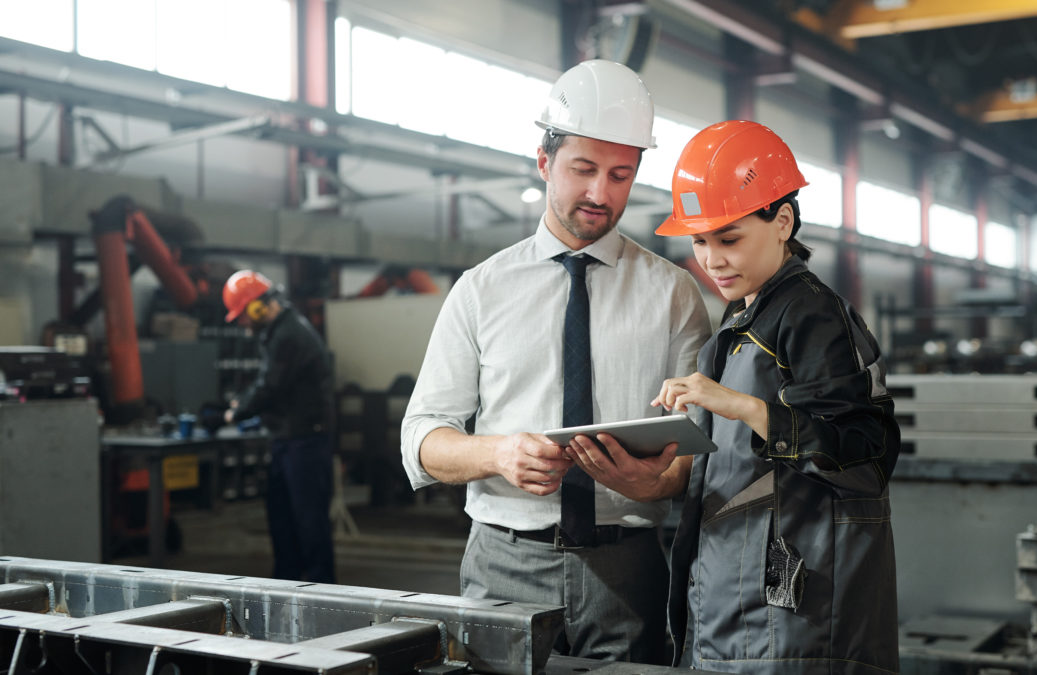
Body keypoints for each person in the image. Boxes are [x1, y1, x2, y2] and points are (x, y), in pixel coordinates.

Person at [400, 59, 711, 664]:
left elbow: (700, 450)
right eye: (583, 169)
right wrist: (498, 453)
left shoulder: (672, 293)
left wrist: (659, 481)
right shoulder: (481, 289)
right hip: (503, 565)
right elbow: (420, 437)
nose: (600, 193)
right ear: (544, 162)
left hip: (628, 567)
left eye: (621, 174)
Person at [646, 120, 901, 672]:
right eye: (700, 241)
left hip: (795, 627)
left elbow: (866, 454)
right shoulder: (740, 323)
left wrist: (739, 405)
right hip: (737, 614)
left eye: (729, 238)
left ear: (782, 221)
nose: (711, 260)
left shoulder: (812, 315)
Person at [222, 269, 336, 584]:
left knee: (309, 522)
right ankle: (288, 586)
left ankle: (322, 592)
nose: (244, 322)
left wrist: (236, 413)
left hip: (305, 442)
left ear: (258, 307)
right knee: (283, 518)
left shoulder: (288, 336)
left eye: (244, 315)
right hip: (290, 439)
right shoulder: (280, 332)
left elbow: (269, 386)